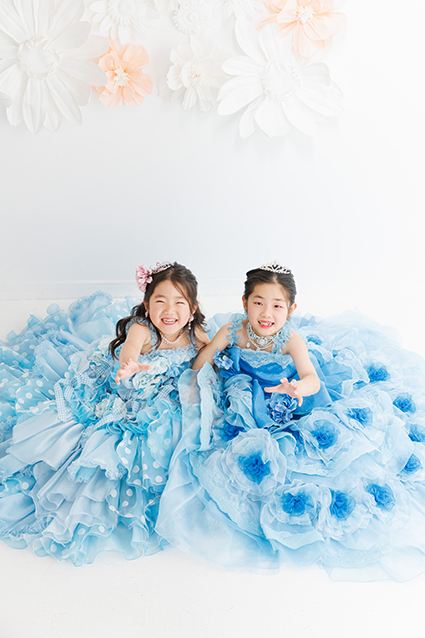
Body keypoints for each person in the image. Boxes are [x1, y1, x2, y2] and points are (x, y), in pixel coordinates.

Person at [156, 261, 425, 581]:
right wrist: (200, 369)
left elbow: (312, 378)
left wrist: (297, 388)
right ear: (244, 303)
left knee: (305, 451)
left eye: (277, 306)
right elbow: (206, 357)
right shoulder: (234, 330)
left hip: (286, 396)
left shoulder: (291, 340)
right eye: (258, 303)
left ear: (291, 309)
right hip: (247, 395)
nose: (266, 314)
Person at [0, 261, 208, 564]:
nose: (169, 310)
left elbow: (211, 353)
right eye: (160, 301)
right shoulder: (142, 329)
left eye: (179, 302)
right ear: (147, 305)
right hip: (126, 390)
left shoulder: (195, 334)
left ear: (192, 309)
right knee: (108, 437)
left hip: (165, 396)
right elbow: (130, 348)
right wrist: (130, 364)